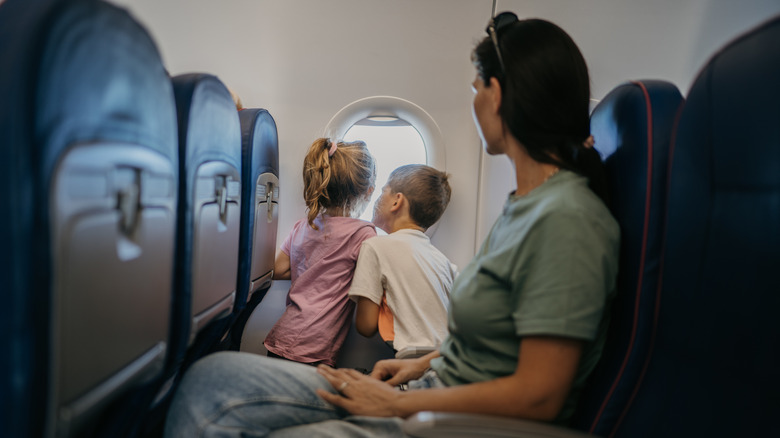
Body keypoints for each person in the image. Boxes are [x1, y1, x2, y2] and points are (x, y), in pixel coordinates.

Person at [164, 14, 619, 437]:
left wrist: (397, 405)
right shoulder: (525, 207)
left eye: (476, 85)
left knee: (213, 399)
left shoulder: (567, 220)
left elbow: (540, 395)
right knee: (210, 378)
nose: (474, 98)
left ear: (497, 95)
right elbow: (488, 348)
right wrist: (415, 369)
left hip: (447, 419)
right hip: (425, 390)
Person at [263, 137, 377, 366]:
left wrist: (312, 270)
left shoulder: (304, 225)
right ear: (367, 191)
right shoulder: (363, 234)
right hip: (311, 348)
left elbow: (278, 269)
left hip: (283, 335)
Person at [349, 164, 457, 355]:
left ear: (397, 201)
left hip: (411, 360)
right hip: (447, 358)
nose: (378, 197)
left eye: (384, 191)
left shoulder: (375, 247)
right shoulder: (445, 263)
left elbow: (366, 326)